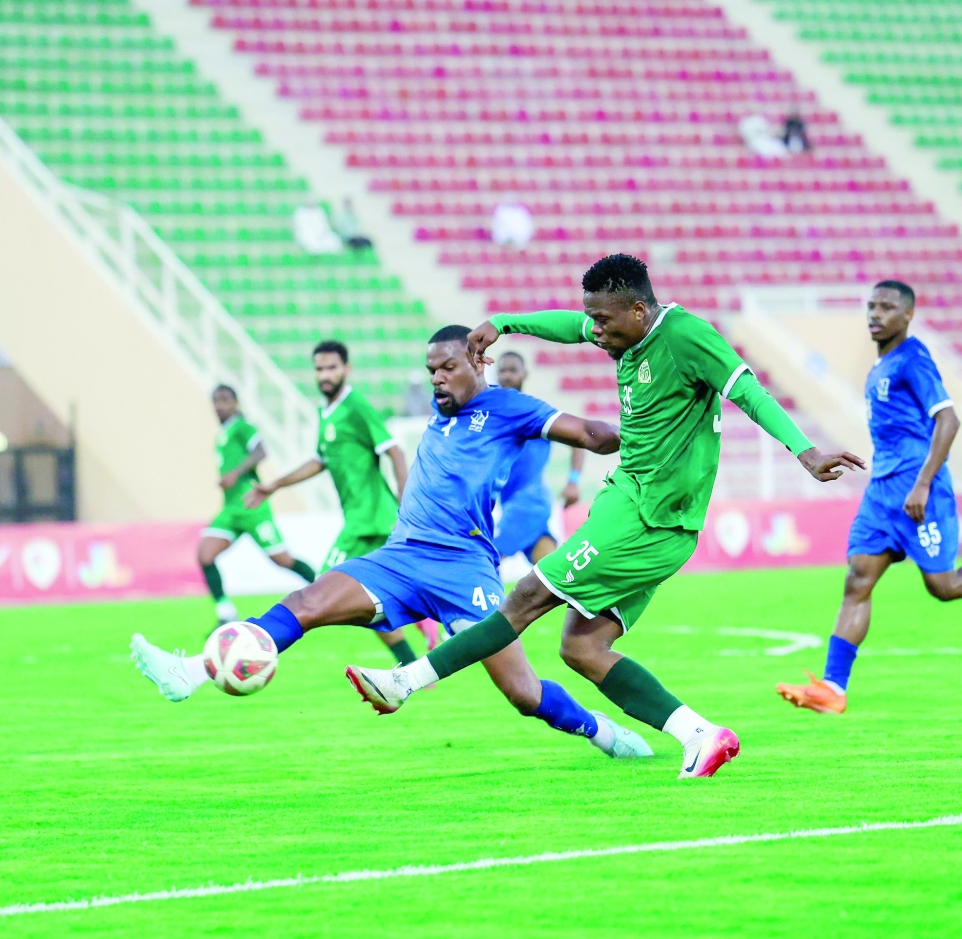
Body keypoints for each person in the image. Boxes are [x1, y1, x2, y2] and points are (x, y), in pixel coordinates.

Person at [346, 255, 865, 778]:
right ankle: (701, 735)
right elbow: (571, 326)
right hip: (635, 508)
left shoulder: (688, 337)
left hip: (647, 517)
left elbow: (748, 392)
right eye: (592, 319)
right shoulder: (622, 329)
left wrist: (805, 452)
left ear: (639, 310)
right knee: (582, 647)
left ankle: (404, 682)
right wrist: (503, 323)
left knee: (525, 597)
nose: (595, 332)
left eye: (604, 321)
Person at [130, 326, 653, 763]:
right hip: (400, 558)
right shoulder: (442, 409)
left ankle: (603, 734)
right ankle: (191, 672)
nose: (438, 379)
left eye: (448, 367)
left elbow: (587, 432)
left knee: (522, 693)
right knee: (306, 602)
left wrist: (646, 437)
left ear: (477, 360)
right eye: (431, 371)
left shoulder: (508, 408)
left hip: (464, 567)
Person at [778, 281, 960, 714]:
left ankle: (834, 686)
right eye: (871, 306)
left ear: (908, 315)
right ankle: (833, 688)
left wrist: (921, 484)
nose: (875, 314)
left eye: (887, 307)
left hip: (919, 490)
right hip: (882, 492)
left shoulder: (913, 359)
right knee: (858, 578)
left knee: (944, 586)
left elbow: (949, 420)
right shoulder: (880, 366)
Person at [246, 339, 433, 664]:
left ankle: (261, 638)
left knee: (324, 589)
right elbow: (320, 460)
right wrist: (275, 484)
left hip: (370, 521)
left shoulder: (356, 405)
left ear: (347, 369)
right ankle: (414, 650)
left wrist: (407, 500)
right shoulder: (326, 413)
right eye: (319, 369)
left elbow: (394, 449)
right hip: (362, 521)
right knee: (364, 597)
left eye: (332, 367)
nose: (325, 375)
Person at [199, 385, 316, 626]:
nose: (219, 406)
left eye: (224, 400)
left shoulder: (243, 427)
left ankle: (325, 588)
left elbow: (262, 451)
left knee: (283, 560)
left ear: (236, 403)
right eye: (215, 401)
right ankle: (225, 613)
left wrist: (235, 473)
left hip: (252, 506)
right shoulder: (224, 434)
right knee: (205, 554)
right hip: (231, 509)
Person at [494, 350, 585, 565]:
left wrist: (573, 481)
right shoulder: (494, 415)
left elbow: (578, 437)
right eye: (502, 370)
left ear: (525, 374)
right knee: (550, 577)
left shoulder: (536, 413)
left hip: (528, 502)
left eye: (513, 370)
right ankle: (596, 597)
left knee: (487, 561)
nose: (507, 375)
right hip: (512, 502)